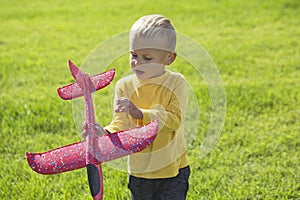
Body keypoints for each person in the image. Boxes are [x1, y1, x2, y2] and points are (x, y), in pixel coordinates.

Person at [84, 14, 190, 200]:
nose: (137, 62)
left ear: (169, 58)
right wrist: (105, 133)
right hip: (139, 172)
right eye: (134, 55)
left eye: (147, 58)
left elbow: (174, 120)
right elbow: (121, 124)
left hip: (172, 171)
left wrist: (140, 113)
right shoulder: (125, 86)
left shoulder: (176, 83)